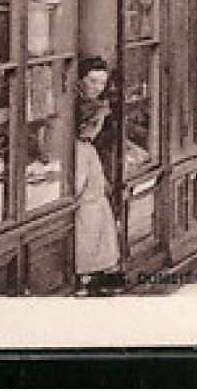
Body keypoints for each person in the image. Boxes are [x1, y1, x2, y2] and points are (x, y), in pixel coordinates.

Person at [74, 96, 121, 295]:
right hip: (89, 208)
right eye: (99, 123)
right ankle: (89, 284)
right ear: (90, 125)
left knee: (100, 246)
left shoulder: (85, 148)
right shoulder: (83, 150)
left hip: (96, 205)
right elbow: (77, 184)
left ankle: (98, 282)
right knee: (91, 248)